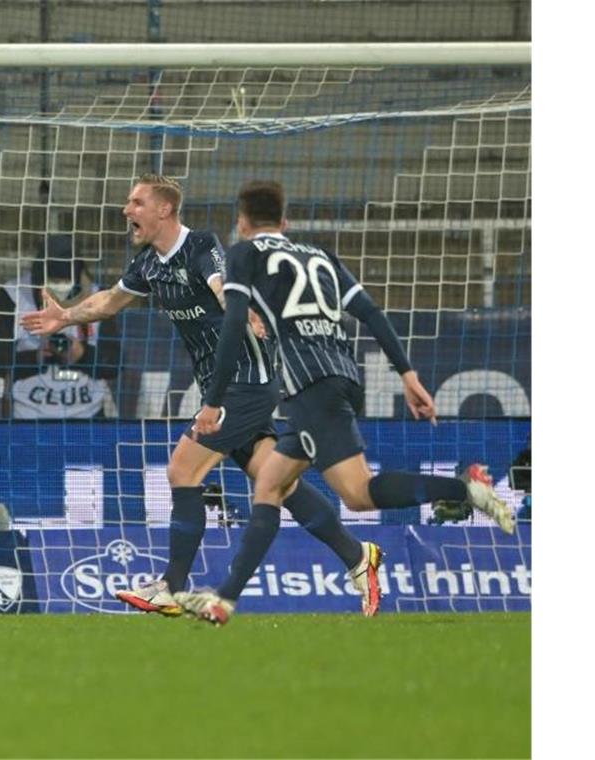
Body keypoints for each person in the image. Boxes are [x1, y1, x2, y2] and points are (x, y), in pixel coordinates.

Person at [21, 174, 382, 619]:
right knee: (278, 481)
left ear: (164, 210)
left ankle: (171, 587)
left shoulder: (202, 246)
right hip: (225, 380)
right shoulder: (148, 263)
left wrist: (244, 311)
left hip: (246, 379)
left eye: (136, 202)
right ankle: (357, 556)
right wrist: (66, 317)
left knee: (182, 469)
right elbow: (111, 301)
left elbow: (221, 283)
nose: (126, 210)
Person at [175, 179, 515, 624]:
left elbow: (235, 321)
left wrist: (213, 401)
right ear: (285, 221)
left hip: (311, 387)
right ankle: (224, 600)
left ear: (242, 223)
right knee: (270, 486)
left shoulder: (244, 255)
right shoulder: (320, 256)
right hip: (338, 378)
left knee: (358, 494)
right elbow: (371, 313)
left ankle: (465, 488)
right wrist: (408, 374)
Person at [0, 234, 120, 419]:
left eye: (65, 280)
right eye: (54, 279)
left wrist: (81, 354)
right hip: (27, 415)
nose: (59, 285)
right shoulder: (13, 295)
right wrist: (36, 356)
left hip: (87, 415)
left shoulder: (99, 298)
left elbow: (113, 364)